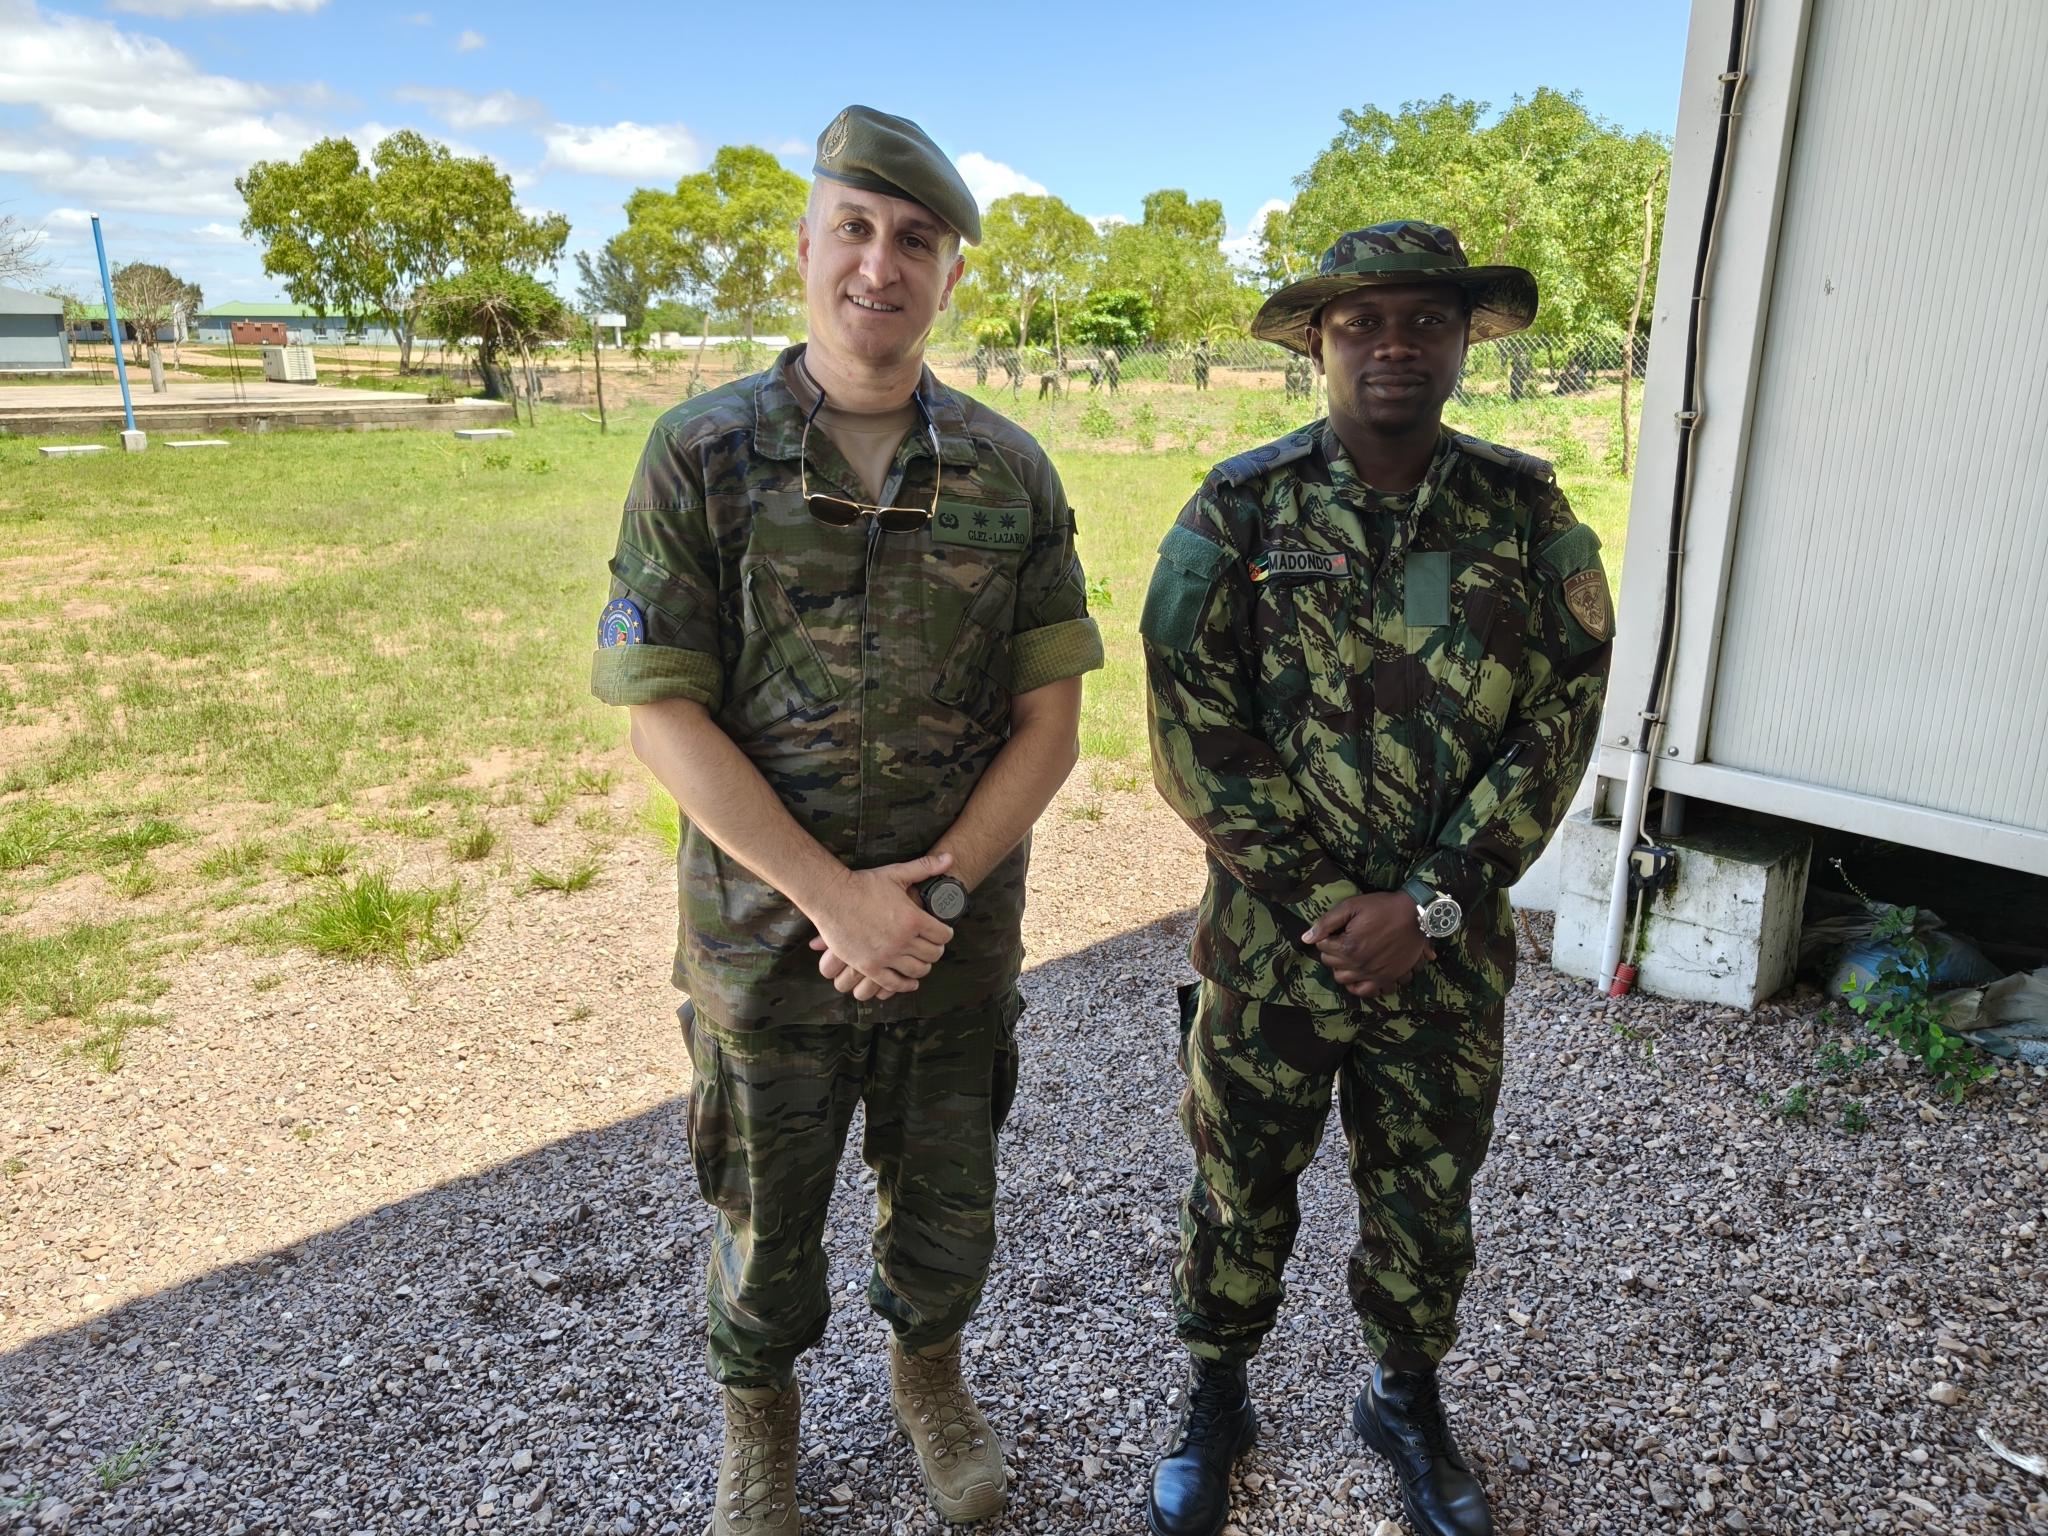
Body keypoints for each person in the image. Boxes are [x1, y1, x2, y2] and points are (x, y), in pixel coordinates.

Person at [591, 105, 1104, 1535]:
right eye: (856, 229)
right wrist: (836, 898)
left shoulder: (1008, 472)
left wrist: (923, 907)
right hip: (769, 943)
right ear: (806, 248)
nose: (882, 264)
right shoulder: (701, 453)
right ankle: (759, 1426)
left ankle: (928, 1381)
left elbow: (1049, 724)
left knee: (945, 1201)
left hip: (950, 941)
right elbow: (660, 711)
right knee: (762, 1211)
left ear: (950, 278)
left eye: (917, 240)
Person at [1138, 222, 1612, 1536]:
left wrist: (1433, 906)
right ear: (1320, 344)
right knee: (1238, 1179)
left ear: (1465, 340)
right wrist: (1321, 910)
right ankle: (1214, 1396)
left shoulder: (1529, 518)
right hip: (1273, 950)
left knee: (1425, 1193)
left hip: (1444, 957)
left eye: (1424, 321)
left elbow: (1557, 726)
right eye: (1365, 323)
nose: (1395, 345)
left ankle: (1403, 1399)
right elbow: (1191, 725)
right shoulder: (1235, 509)